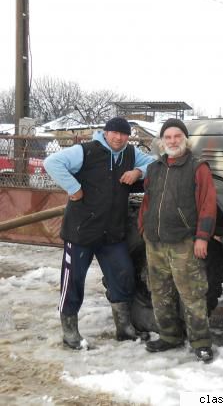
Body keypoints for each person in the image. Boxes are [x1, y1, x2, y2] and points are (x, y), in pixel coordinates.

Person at [44, 117, 155, 349]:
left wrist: (138, 171)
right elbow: (52, 162)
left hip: (112, 233)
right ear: (105, 133)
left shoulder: (131, 154)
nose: (118, 138)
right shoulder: (86, 151)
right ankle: (70, 332)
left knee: (123, 276)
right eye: (114, 133)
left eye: (123, 134)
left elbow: (157, 163)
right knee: (73, 281)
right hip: (81, 231)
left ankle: (124, 329)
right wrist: (73, 189)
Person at [138, 118, 217, 363]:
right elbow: (147, 202)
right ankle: (169, 336)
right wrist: (143, 228)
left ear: (185, 139)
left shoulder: (197, 167)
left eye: (177, 136)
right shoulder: (154, 169)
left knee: (192, 294)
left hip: (184, 242)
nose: (172, 141)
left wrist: (202, 237)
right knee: (160, 294)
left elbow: (208, 204)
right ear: (161, 142)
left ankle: (201, 341)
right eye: (168, 137)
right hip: (155, 243)